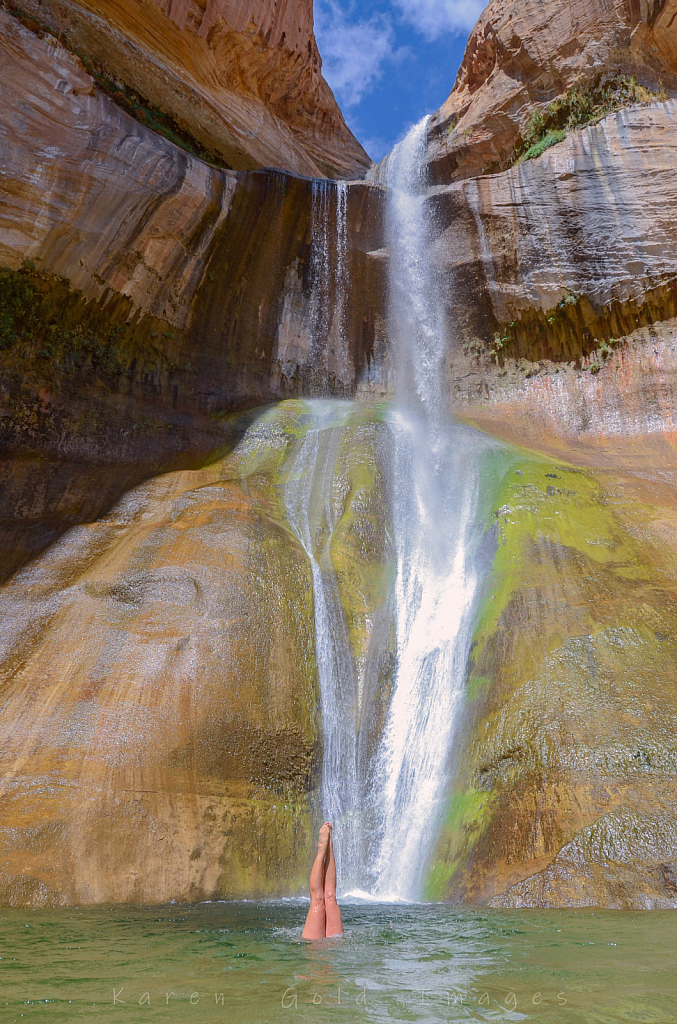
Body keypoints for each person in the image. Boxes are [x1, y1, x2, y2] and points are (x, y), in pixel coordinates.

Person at [302, 821, 344, 939]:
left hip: (317, 949)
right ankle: (328, 847)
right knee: (330, 898)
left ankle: (323, 849)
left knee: (318, 901)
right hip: (334, 947)